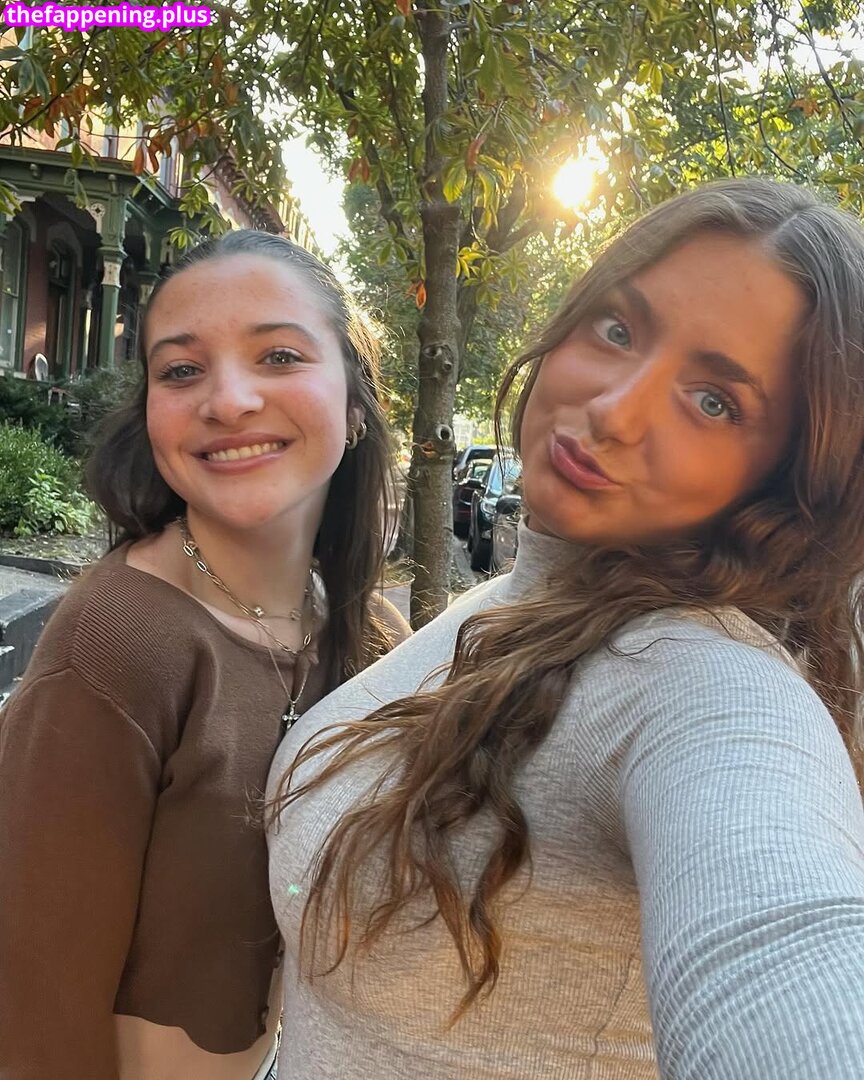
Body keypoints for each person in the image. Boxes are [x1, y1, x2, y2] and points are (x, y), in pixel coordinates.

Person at [266, 178, 864, 1078]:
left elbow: (789, 942)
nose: (616, 409)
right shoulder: (515, 600)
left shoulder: (700, 679)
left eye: (715, 401)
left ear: (787, 479)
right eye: (618, 329)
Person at [0, 230, 409, 1080]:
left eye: (279, 356)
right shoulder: (115, 643)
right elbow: (29, 1004)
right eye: (182, 370)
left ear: (355, 403)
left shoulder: (370, 636)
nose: (228, 400)